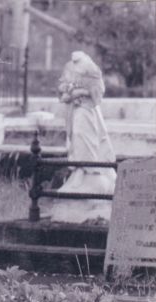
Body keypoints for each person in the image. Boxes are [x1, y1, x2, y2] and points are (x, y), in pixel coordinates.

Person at [47, 51, 117, 224]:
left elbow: (97, 90)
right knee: (76, 139)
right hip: (75, 110)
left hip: (86, 110)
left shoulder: (91, 68)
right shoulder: (69, 67)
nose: (74, 61)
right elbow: (62, 85)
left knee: (84, 137)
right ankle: (80, 170)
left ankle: (90, 170)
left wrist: (79, 92)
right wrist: (67, 92)